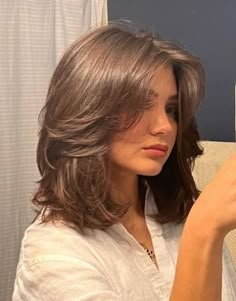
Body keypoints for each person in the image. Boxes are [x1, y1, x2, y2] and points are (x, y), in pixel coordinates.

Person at [13, 21, 236, 300]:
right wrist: (204, 231)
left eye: (171, 109)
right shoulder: (51, 256)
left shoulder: (178, 216)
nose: (165, 126)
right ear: (88, 109)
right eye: (140, 104)